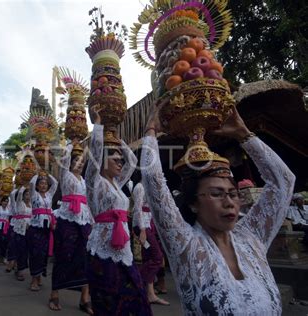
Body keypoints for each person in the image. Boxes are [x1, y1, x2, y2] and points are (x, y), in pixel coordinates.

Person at [140, 106, 296, 315]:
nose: (229, 202)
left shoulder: (251, 238)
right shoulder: (185, 244)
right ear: (193, 203)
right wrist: (150, 132)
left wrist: (244, 135)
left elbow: (284, 182)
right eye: (216, 194)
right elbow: (153, 181)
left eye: (232, 194)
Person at [85, 106, 152, 316]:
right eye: (115, 160)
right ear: (104, 162)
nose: (120, 164)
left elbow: (132, 161)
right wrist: (98, 127)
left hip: (123, 246)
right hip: (102, 245)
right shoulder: (95, 182)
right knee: (107, 297)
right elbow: (95, 155)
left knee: (136, 293)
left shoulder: (117, 184)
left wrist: (117, 140)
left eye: (119, 160)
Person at [48, 142, 94, 313]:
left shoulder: (84, 181)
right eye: (77, 161)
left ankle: (84, 298)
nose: (80, 164)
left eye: (82, 162)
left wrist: (92, 221)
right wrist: (71, 143)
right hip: (67, 219)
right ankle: (54, 293)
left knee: (85, 257)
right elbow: (65, 159)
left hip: (84, 220)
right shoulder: (65, 175)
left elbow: (88, 202)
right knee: (63, 254)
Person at [132, 182, 169, 306]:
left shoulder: (151, 187)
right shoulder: (140, 187)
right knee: (157, 257)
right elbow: (137, 209)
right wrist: (142, 231)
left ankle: (150, 294)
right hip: (142, 226)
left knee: (148, 258)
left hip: (150, 225)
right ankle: (134, 281)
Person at [27, 172, 58, 291]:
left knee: (44, 253)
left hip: (47, 227)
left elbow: (55, 183)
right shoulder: (34, 195)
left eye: (45, 184)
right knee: (35, 253)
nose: (44, 185)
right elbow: (31, 183)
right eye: (41, 183)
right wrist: (36, 173)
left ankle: (39, 275)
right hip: (35, 227)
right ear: (37, 186)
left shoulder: (49, 195)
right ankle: (34, 279)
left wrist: (48, 174)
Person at [13, 186, 33, 281]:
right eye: (26, 194)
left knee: (27, 250)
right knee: (21, 250)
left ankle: (20, 266)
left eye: (29, 194)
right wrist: (24, 185)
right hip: (20, 229)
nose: (28, 196)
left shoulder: (32, 204)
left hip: (30, 230)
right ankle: (20, 270)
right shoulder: (19, 203)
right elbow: (18, 194)